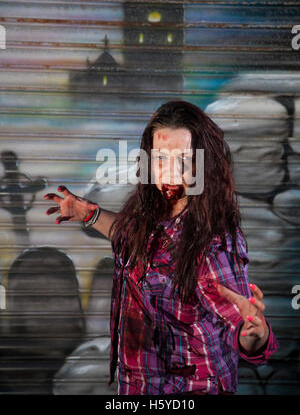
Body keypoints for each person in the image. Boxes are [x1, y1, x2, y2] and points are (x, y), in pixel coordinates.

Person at [43, 100, 279, 395]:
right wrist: (88, 214)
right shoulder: (152, 216)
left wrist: (255, 334)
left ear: (204, 164)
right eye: (161, 159)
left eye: (184, 159)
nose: (170, 171)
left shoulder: (215, 241)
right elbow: (131, 238)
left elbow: (241, 326)